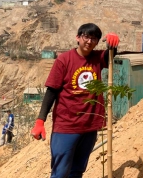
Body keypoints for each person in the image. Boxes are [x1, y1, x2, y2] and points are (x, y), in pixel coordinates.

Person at [30, 23, 119, 178]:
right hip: (66, 126)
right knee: (60, 172)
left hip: (90, 126)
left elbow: (110, 55)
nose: (89, 41)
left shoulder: (97, 58)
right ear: (78, 37)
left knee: (77, 171)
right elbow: (52, 90)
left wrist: (113, 44)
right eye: (86, 36)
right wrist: (40, 121)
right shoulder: (64, 60)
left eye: (94, 38)